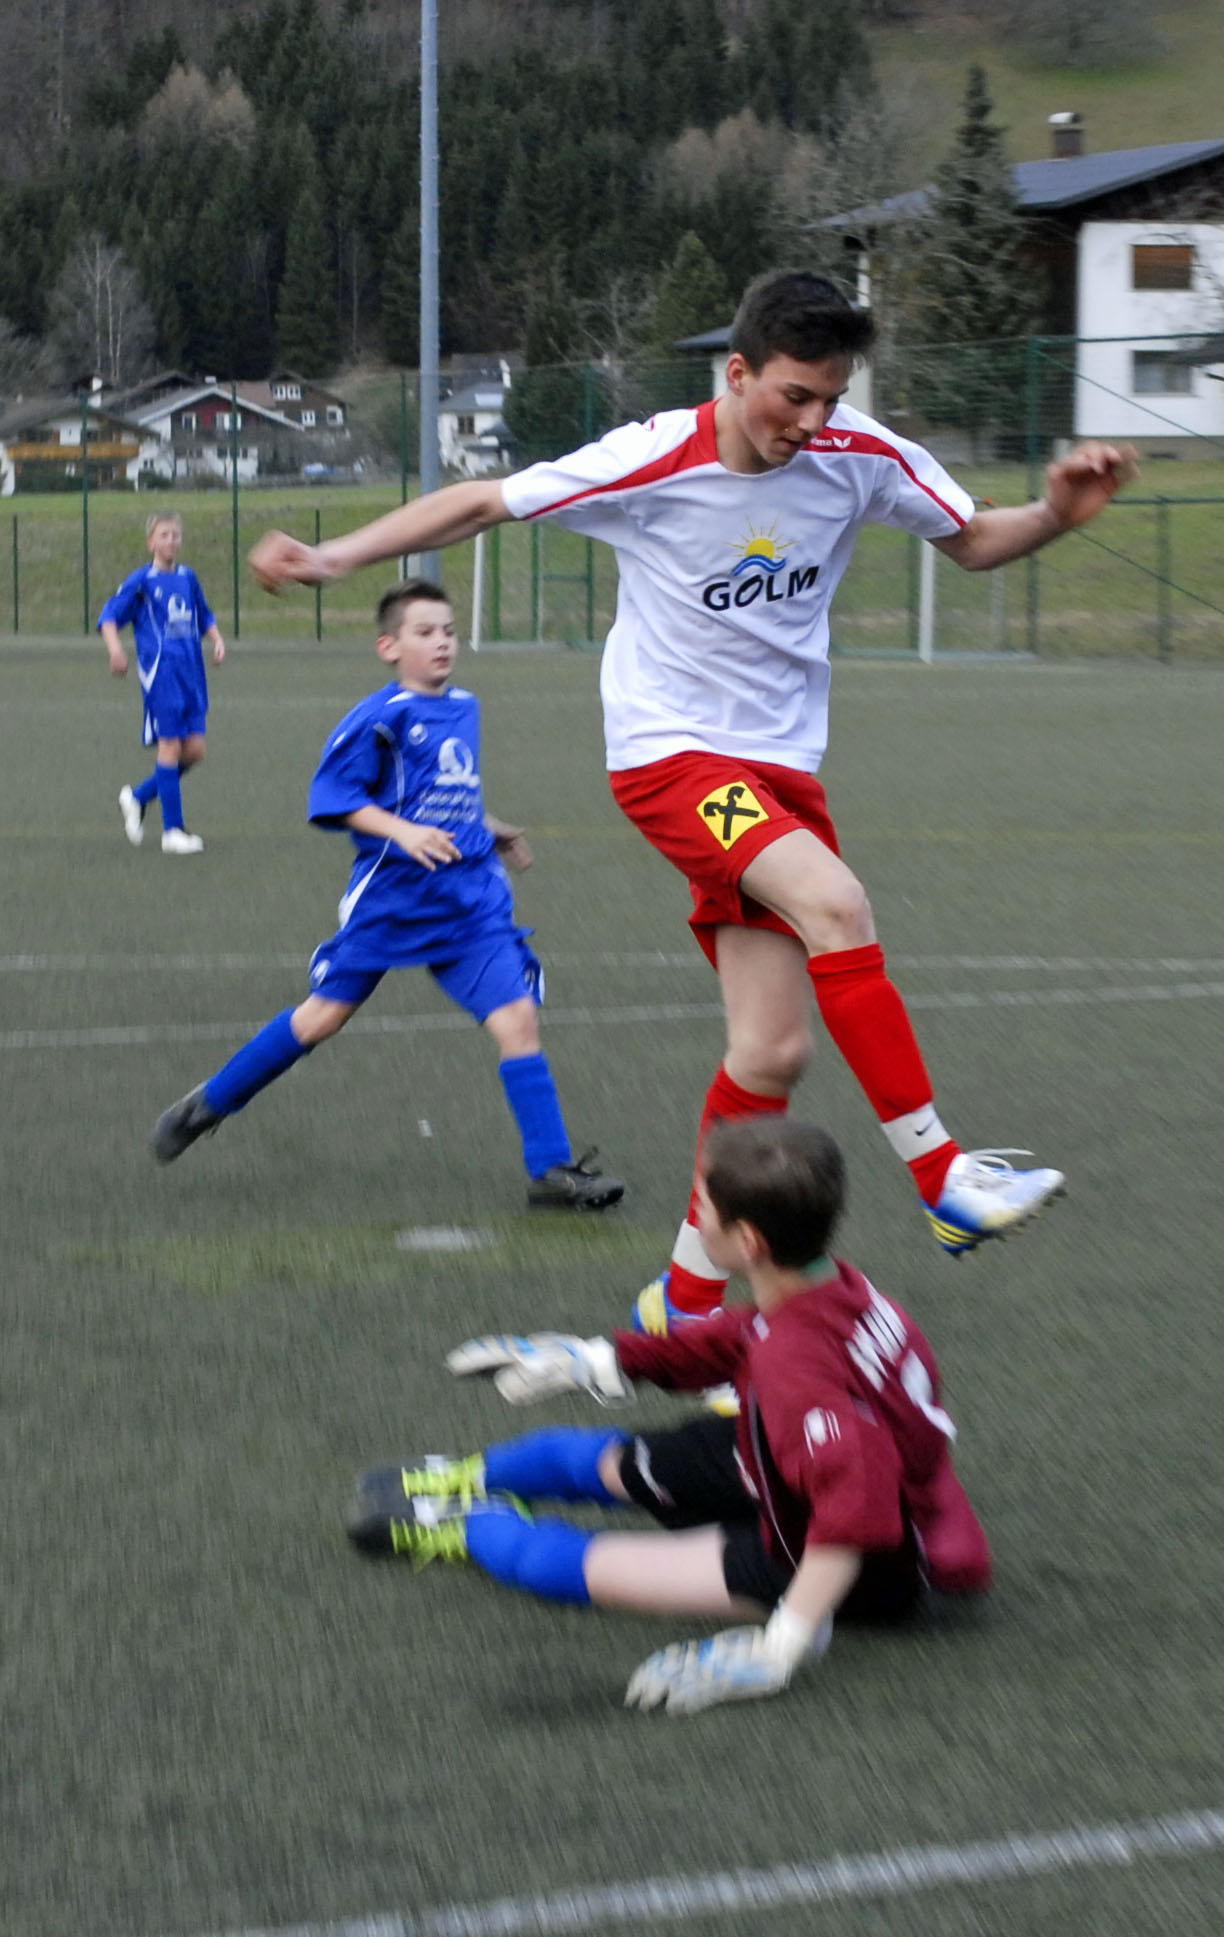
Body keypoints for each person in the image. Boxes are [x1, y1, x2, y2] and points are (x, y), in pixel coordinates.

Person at [249, 268, 1138, 1295]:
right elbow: (485, 501)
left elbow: (974, 540)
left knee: (772, 1052)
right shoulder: (652, 458)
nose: (811, 421)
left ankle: (680, 1305)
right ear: (738, 372)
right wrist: (334, 558)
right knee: (835, 902)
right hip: (672, 757)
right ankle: (944, 1178)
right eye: (793, 396)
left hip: (780, 771)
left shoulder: (860, 456)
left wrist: (1057, 512)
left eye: (830, 399)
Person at [346, 1117, 992, 1715]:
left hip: (842, 1559)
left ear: (748, 1241)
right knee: (578, 1457)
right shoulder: (832, 1286)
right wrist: (598, 1359)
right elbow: (747, 1336)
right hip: (781, 1461)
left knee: (567, 1567)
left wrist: (783, 1642)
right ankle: (467, 1475)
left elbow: (857, 1507)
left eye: (703, 1204)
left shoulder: (797, 1368)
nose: (695, 1215)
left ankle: (467, 1525)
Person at [151, 578, 622, 1212]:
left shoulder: (466, 706)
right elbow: (334, 797)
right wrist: (402, 832)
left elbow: (444, 791)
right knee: (321, 1018)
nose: (442, 642)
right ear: (389, 647)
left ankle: (551, 1170)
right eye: (425, 632)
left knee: (517, 1018)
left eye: (449, 631)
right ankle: (209, 1104)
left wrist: (486, 826)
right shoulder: (381, 717)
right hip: (393, 902)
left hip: (467, 904)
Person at [99, 510, 226, 856]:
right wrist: (115, 650)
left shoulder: (188, 577)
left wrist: (216, 638)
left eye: (175, 534)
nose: (171, 540)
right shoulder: (142, 581)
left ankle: (138, 798)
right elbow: (109, 617)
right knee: (169, 745)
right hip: (161, 674)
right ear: (151, 543)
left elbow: (203, 613)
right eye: (164, 535)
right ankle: (173, 831)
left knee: (194, 751)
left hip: (191, 674)